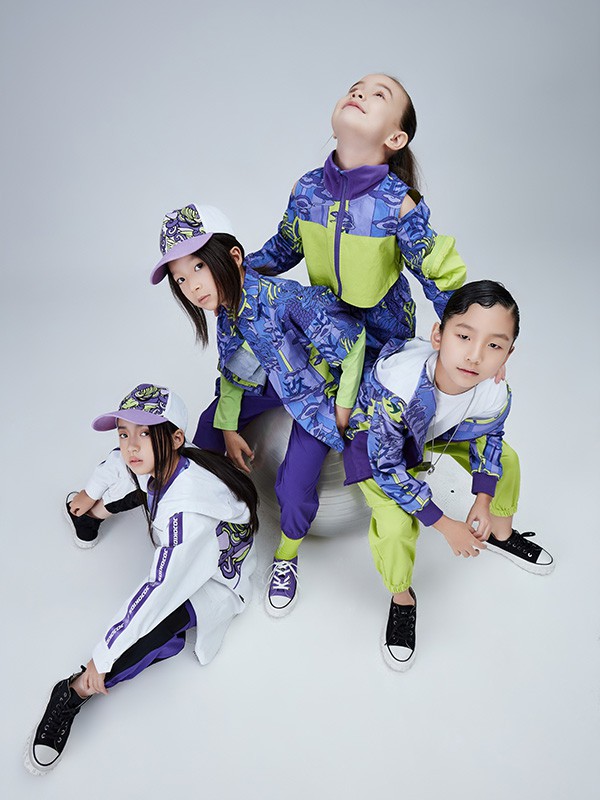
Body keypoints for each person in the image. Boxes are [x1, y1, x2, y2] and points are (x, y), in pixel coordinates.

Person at [25, 383, 259, 775]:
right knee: (135, 478)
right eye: (124, 432)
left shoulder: (186, 518)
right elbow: (118, 462)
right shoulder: (167, 459)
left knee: (153, 632)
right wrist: (88, 496)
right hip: (191, 549)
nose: (131, 445)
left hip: (213, 579)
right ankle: (88, 519)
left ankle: (75, 690)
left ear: (176, 438)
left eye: (144, 433)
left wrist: (102, 656)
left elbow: (155, 591)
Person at [150, 203, 366, 617]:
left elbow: (352, 343)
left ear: (233, 256)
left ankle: (286, 556)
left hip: (315, 394)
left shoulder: (285, 299)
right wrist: (229, 428)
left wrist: (342, 407)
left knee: (294, 487)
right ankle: (207, 515)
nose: (192, 286)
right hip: (271, 384)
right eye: (180, 279)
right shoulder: (226, 313)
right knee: (208, 430)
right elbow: (234, 371)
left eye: (198, 267)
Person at [343, 281, 554, 672]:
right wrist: (445, 525)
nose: (475, 355)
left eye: (494, 345)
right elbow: (387, 468)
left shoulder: (493, 389)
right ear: (438, 335)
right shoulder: (398, 385)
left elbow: (490, 437)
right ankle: (402, 598)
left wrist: (483, 500)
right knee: (395, 526)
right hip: (380, 442)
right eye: (464, 336)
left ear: (507, 354)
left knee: (507, 460)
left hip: (438, 433)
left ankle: (500, 534)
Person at [245, 73, 466, 359]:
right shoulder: (307, 190)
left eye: (379, 95)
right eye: (354, 89)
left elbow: (438, 277)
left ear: (395, 138)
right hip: (326, 328)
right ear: (335, 129)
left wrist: (470, 335)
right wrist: (234, 271)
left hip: (383, 337)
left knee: (380, 387)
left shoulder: (397, 204)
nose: (358, 94)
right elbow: (284, 248)